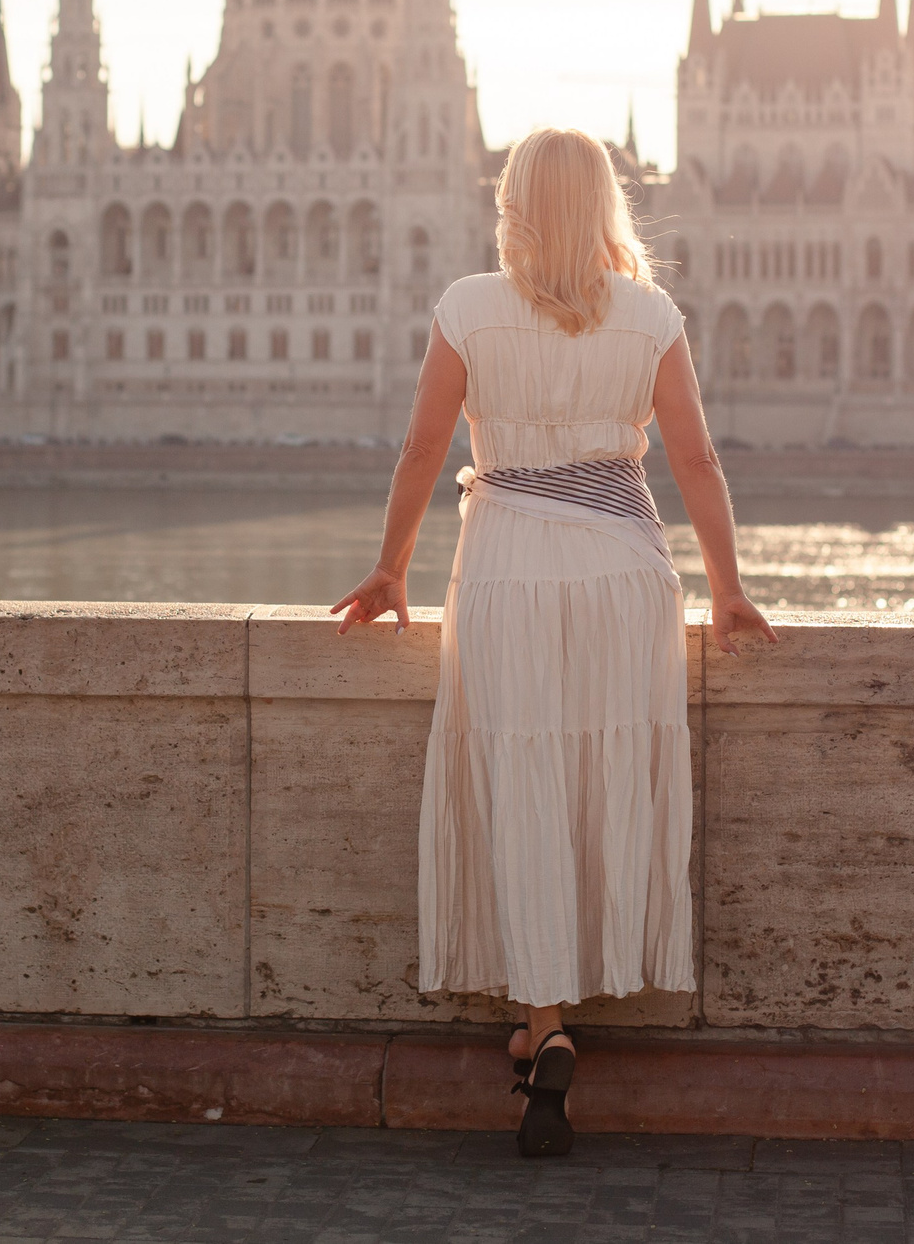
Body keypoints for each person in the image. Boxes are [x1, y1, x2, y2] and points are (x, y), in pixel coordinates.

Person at [331, 125, 777, 1157]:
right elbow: (697, 461)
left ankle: (544, 1026)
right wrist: (729, 589)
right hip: (626, 577)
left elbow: (422, 447)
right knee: (593, 786)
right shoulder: (652, 317)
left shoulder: (468, 308)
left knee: (524, 788)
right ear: (608, 205)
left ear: (517, 206)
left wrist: (391, 565)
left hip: (508, 570)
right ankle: (542, 1032)